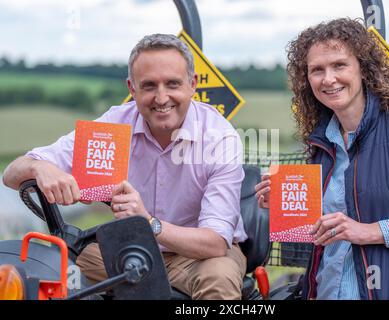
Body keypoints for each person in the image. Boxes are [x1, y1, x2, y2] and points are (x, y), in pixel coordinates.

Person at [3, 34, 248, 300]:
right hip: (128, 250)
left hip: (199, 257)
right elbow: (11, 174)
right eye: (149, 86)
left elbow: (214, 242)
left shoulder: (220, 138)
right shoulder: (113, 126)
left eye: (173, 84)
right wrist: (41, 168)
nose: (162, 97)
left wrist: (149, 223)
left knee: (219, 280)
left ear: (193, 84)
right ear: (132, 88)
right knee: (50, 270)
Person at [255, 18, 389, 300]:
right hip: (327, 289)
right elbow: (327, 228)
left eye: (339, 65)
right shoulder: (321, 142)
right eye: (317, 70)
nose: (328, 78)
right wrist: (284, 204)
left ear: (363, 68)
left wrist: (369, 231)